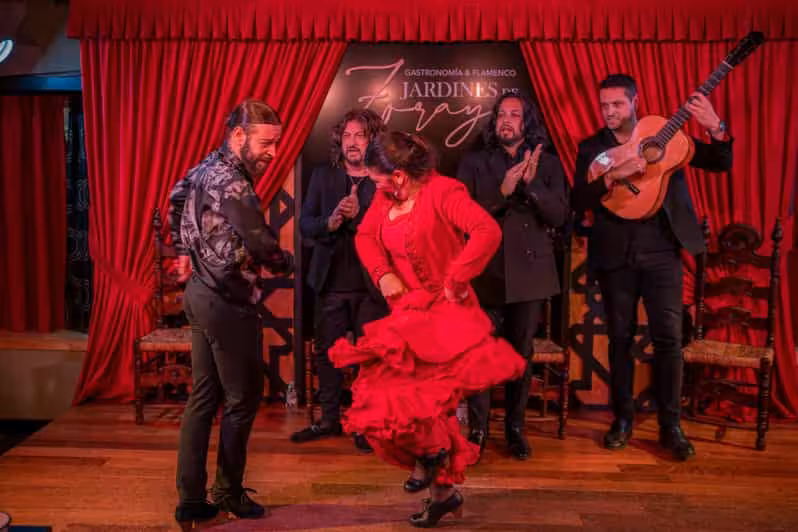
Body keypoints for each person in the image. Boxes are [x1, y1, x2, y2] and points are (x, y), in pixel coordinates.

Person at [329, 131, 526, 527]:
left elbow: (488, 231)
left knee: (429, 405)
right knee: (392, 398)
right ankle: (432, 476)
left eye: (380, 180)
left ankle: (441, 487)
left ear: (399, 175)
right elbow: (367, 236)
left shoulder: (444, 192)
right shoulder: (387, 199)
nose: (376, 187)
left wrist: (457, 277)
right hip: (407, 314)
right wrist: (383, 273)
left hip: (446, 316)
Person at [572, 74, 733, 460]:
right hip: (615, 255)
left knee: (668, 340)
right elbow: (578, 199)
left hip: (662, 251)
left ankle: (670, 426)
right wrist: (611, 176)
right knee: (620, 339)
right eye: (604, 105)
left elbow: (720, 161)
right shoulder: (592, 147)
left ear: (634, 102)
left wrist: (716, 127)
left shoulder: (665, 136)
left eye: (617, 104)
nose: (609, 112)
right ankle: (623, 419)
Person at [168, 99, 294, 527]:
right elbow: (261, 243)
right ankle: (228, 492)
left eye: (277, 144)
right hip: (225, 302)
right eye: (266, 143)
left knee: (204, 397)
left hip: (200, 296)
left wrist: (182, 250)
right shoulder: (235, 185)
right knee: (243, 399)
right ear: (238, 136)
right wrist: (288, 263)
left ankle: (189, 500)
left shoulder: (204, 168)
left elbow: (174, 197)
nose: (272, 153)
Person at [457, 92, 569, 460]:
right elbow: (460, 217)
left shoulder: (549, 164)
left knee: (520, 355)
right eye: (501, 114)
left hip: (530, 275)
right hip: (485, 274)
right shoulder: (474, 163)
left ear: (526, 123)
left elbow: (559, 218)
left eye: (515, 115)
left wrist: (532, 186)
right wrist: (503, 192)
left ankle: (516, 430)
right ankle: (478, 430)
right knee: (479, 355)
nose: (506, 120)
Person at [291, 109, 389, 452]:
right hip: (329, 282)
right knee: (328, 355)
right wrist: (330, 222)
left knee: (369, 359)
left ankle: (363, 424)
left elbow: (391, 232)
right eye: (347, 136)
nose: (352, 142)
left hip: (370, 286)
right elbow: (305, 225)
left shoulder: (384, 181)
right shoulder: (322, 176)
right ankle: (329, 419)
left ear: (372, 140)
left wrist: (360, 217)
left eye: (359, 135)